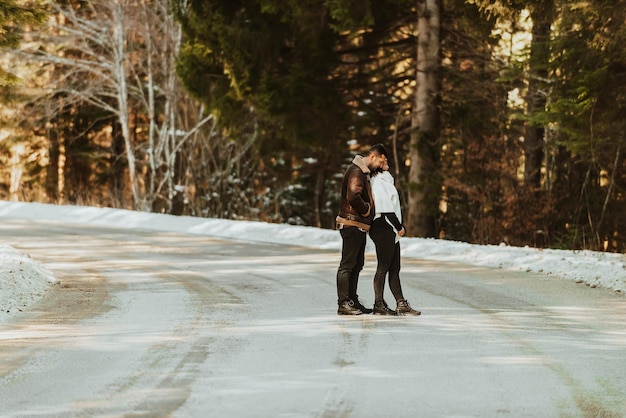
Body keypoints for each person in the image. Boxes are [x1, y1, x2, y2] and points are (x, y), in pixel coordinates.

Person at [335, 144, 388, 315]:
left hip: (358, 224)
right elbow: (353, 195)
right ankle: (343, 303)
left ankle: (352, 300)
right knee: (348, 264)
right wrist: (366, 210)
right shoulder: (357, 171)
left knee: (357, 264)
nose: (381, 164)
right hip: (351, 223)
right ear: (373, 156)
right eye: (381, 160)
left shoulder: (363, 171)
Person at [369, 158, 421, 316]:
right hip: (383, 228)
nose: (386, 160)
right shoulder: (378, 182)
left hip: (389, 229)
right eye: (383, 159)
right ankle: (378, 304)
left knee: (394, 269)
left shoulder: (386, 180)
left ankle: (401, 303)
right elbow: (385, 210)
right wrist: (399, 227)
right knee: (383, 268)